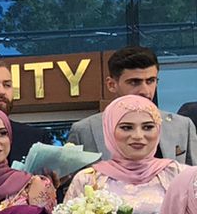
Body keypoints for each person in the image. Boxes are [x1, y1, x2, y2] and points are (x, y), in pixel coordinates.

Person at [68, 45, 197, 164]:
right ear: (111, 85)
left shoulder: (182, 126)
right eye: (134, 82)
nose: (145, 91)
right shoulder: (85, 130)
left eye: (150, 81)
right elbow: (72, 179)